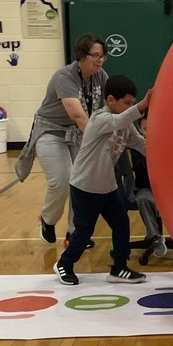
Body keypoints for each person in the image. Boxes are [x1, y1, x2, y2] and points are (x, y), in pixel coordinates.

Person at [54, 75, 152, 286]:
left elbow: (142, 145)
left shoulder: (126, 125)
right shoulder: (100, 118)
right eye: (127, 103)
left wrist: (165, 153)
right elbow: (119, 120)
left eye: (133, 103)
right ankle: (64, 264)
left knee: (121, 224)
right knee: (84, 231)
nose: (130, 107)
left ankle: (119, 268)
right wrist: (143, 106)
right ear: (110, 100)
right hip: (85, 187)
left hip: (107, 187)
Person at [15, 33, 108, 245]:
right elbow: (77, 115)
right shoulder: (64, 77)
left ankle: (75, 234)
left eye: (102, 56)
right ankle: (48, 220)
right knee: (61, 181)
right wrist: (97, 140)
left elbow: (108, 106)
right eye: (95, 55)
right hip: (51, 131)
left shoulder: (101, 76)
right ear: (82, 56)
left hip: (78, 133)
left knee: (81, 182)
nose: (100, 60)